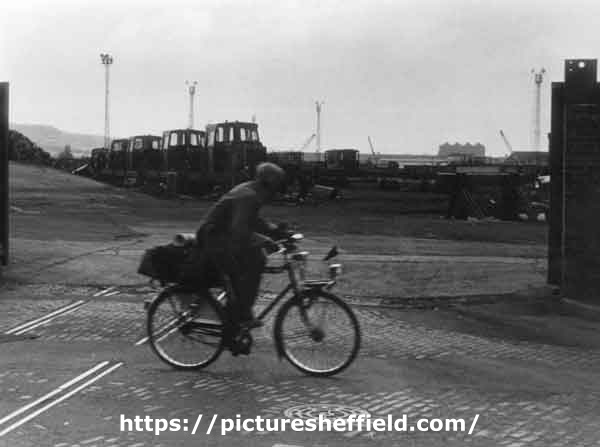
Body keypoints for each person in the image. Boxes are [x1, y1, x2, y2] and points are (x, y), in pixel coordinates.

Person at [189, 162, 287, 335]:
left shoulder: (251, 190)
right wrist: (264, 240)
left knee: (256, 259)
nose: (277, 191)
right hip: (214, 237)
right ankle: (235, 317)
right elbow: (239, 230)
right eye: (276, 185)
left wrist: (276, 230)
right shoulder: (249, 196)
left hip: (223, 235)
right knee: (241, 270)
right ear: (269, 184)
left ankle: (238, 313)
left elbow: (252, 220)